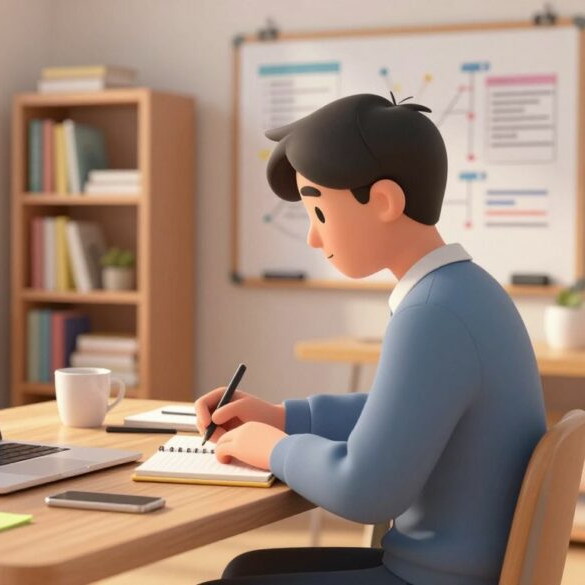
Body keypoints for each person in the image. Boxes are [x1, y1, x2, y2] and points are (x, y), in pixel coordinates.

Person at [196, 93, 546, 585]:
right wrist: (286, 417)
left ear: (383, 201)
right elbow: (402, 412)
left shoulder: (434, 313)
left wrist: (274, 448)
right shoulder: (465, 291)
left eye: (319, 214)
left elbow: (365, 490)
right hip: (444, 567)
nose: (315, 240)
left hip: (434, 577)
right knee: (243, 571)